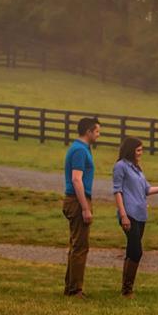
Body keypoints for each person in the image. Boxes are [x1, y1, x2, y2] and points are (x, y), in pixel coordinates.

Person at [112, 136, 158, 296]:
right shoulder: (120, 167)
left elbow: (147, 190)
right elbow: (117, 191)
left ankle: (126, 288)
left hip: (140, 215)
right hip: (129, 214)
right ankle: (127, 289)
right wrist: (123, 215)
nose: (141, 153)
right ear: (131, 150)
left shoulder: (137, 169)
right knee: (137, 251)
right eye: (138, 150)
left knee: (132, 251)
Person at [62, 116, 100, 297]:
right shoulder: (79, 150)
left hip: (78, 200)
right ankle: (75, 289)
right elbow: (76, 180)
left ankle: (70, 286)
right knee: (80, 247)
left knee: (76, 245)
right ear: (89, 131)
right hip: (78, 200)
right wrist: (85, 207)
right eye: (97, 131)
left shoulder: (83, 149)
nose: (99, 135)